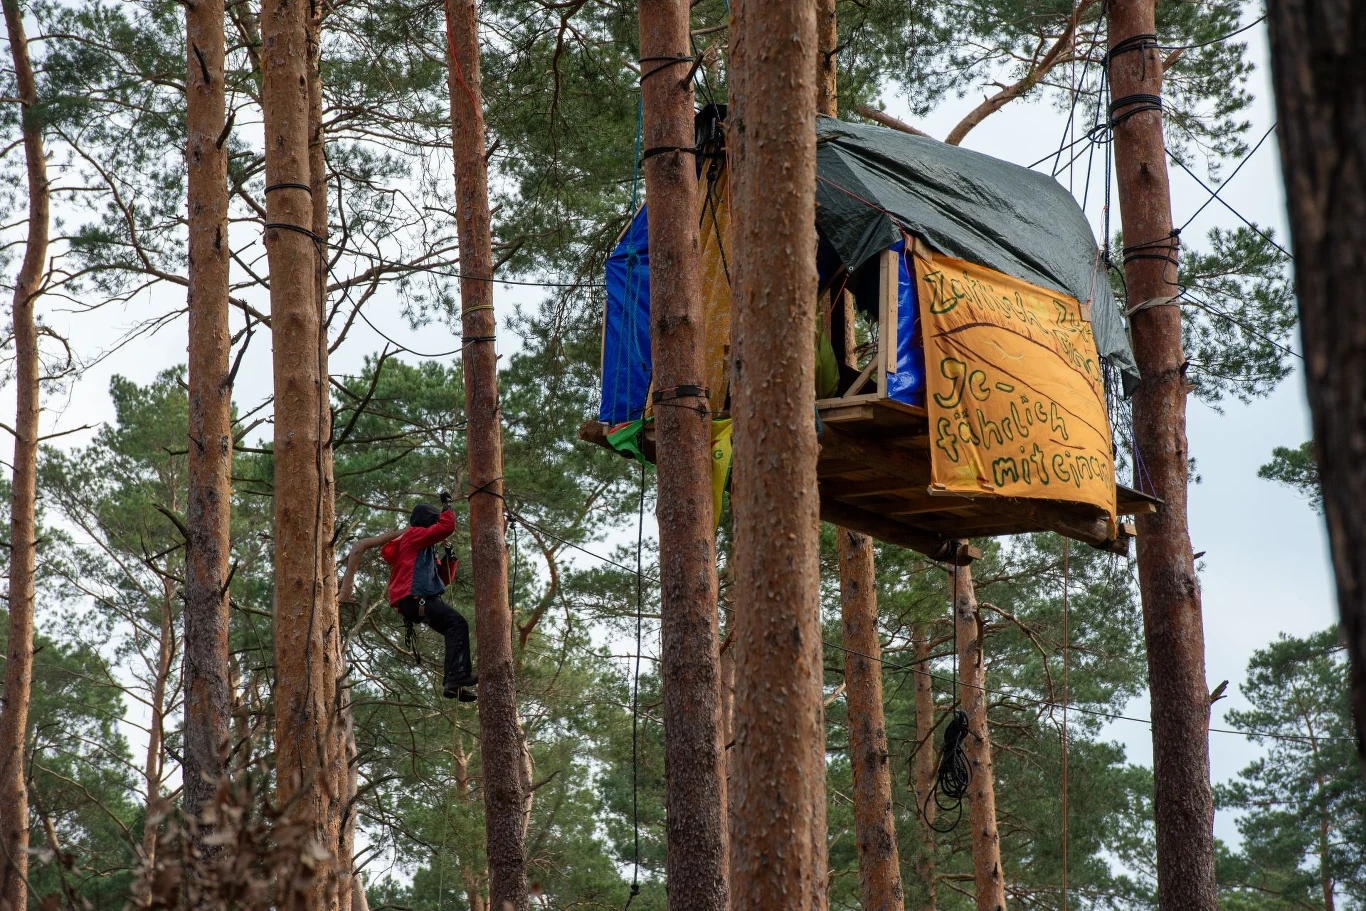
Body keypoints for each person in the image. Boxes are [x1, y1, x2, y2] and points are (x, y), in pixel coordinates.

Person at [382, 491, 477, 701]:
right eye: (433, 521)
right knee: (458, 624)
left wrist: (450, 557)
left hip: (417, 604)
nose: (436, 525)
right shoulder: (413, 535)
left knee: (454, 629)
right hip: (417, 600)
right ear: (426, 521)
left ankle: (453, 685)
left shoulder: (424, 549)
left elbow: (443, 579)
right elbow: (447, 527)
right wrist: (447, 506)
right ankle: (456, 677)